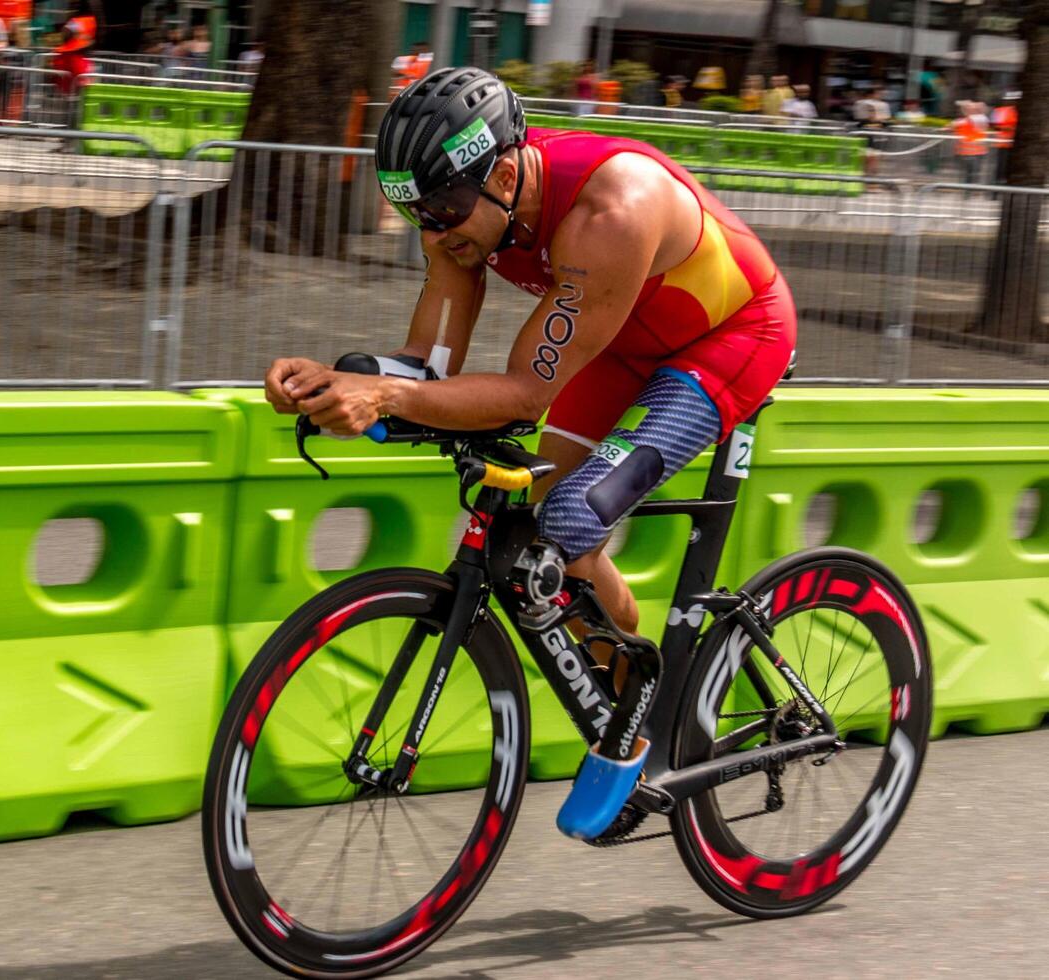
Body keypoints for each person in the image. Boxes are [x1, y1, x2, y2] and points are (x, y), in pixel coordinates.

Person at [264, 67, 796, 829]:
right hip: (610, 340)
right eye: (412, 211)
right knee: (553, 548)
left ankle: (641, 715)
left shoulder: (611, 211)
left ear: (505, 173)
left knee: (573, 516)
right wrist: (332, 380)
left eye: (445, 209)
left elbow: (522, 393)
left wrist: (384, 397)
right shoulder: (465, 205)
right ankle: (638, 705)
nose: (437, 232)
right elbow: (431, 368)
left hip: (728, 337)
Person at [50, 2, 95, 98]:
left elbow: (66, 31)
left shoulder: (61, 56)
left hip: (63, 94)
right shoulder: (78, 60)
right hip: (73, 97)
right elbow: (85, 82)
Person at [950, 100, 989, 185]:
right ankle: (969, 189)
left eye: (970, 108)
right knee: (970, 173)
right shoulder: (981, 118)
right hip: (973, 151)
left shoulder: (975, 119)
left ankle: (968, 191)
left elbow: (954, 124)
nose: (964, 110)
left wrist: (964, 104)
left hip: (972, 151)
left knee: (969, 174)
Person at [991, 90, 1019, 184]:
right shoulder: (1000, 111)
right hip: (1003, 144)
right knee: (1001, 167)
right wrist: (1011, 128)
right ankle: (998, 185)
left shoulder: (1019, 111)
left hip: (1014, 144)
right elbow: (995, 126)